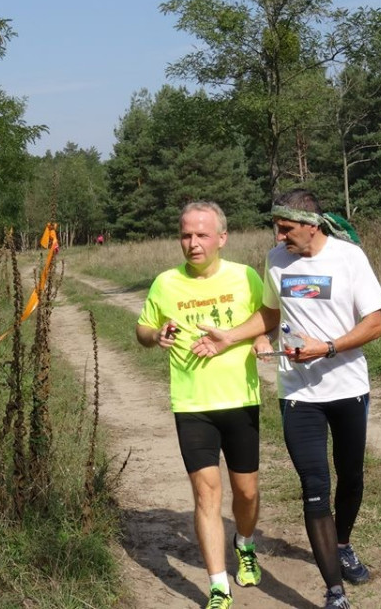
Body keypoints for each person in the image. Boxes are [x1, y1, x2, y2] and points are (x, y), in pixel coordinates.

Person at [191, 189, 381, 609]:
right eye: (276, 228)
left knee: (350, 477)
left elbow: (374, 324)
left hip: (348, 387)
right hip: (298, 393)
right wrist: (241, 336)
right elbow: (270, 313)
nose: (279, 237)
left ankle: (345, 544)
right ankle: (335, 592)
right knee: (315, 486)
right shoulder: (277, 260)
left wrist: (329, 347)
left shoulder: (350, 258)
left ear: (311, 224)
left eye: (287, 229)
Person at [136, 201, 270, 609]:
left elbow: (267, 317)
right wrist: (155, 334)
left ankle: (244, 544)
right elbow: (142, 329)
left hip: (240, 399)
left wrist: (261, 340)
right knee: (206, 495)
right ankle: (218, 586)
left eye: (201, 235)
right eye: (186, 235)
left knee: (245, 493)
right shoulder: (165, 283)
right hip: (192, 403)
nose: (192, 244)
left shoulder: (246, 277)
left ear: (222, 238)